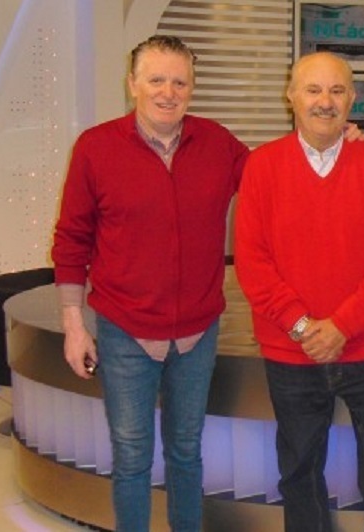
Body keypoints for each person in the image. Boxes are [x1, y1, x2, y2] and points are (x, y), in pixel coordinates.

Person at [51, 35, 249, 531]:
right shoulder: (96, 148)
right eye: (156, 80)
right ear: (132, 84)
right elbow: (71, 239)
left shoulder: (219, 144)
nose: (168, 92)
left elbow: (276, 179)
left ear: (192, 88)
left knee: (186, 452)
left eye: (180, 82)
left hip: (197, 333)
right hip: (124, 332)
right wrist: (74, 326)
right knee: (132, 455)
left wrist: (333, 142)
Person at [233, 51, 364, 531]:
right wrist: (302, 327)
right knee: (299, 474)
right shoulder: (261, 166)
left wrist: (342, 327)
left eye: (336, 91)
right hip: (293, 354)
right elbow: (253, 263)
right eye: (313, 90)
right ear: (290, 96)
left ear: (352, 99)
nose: (325, 101)